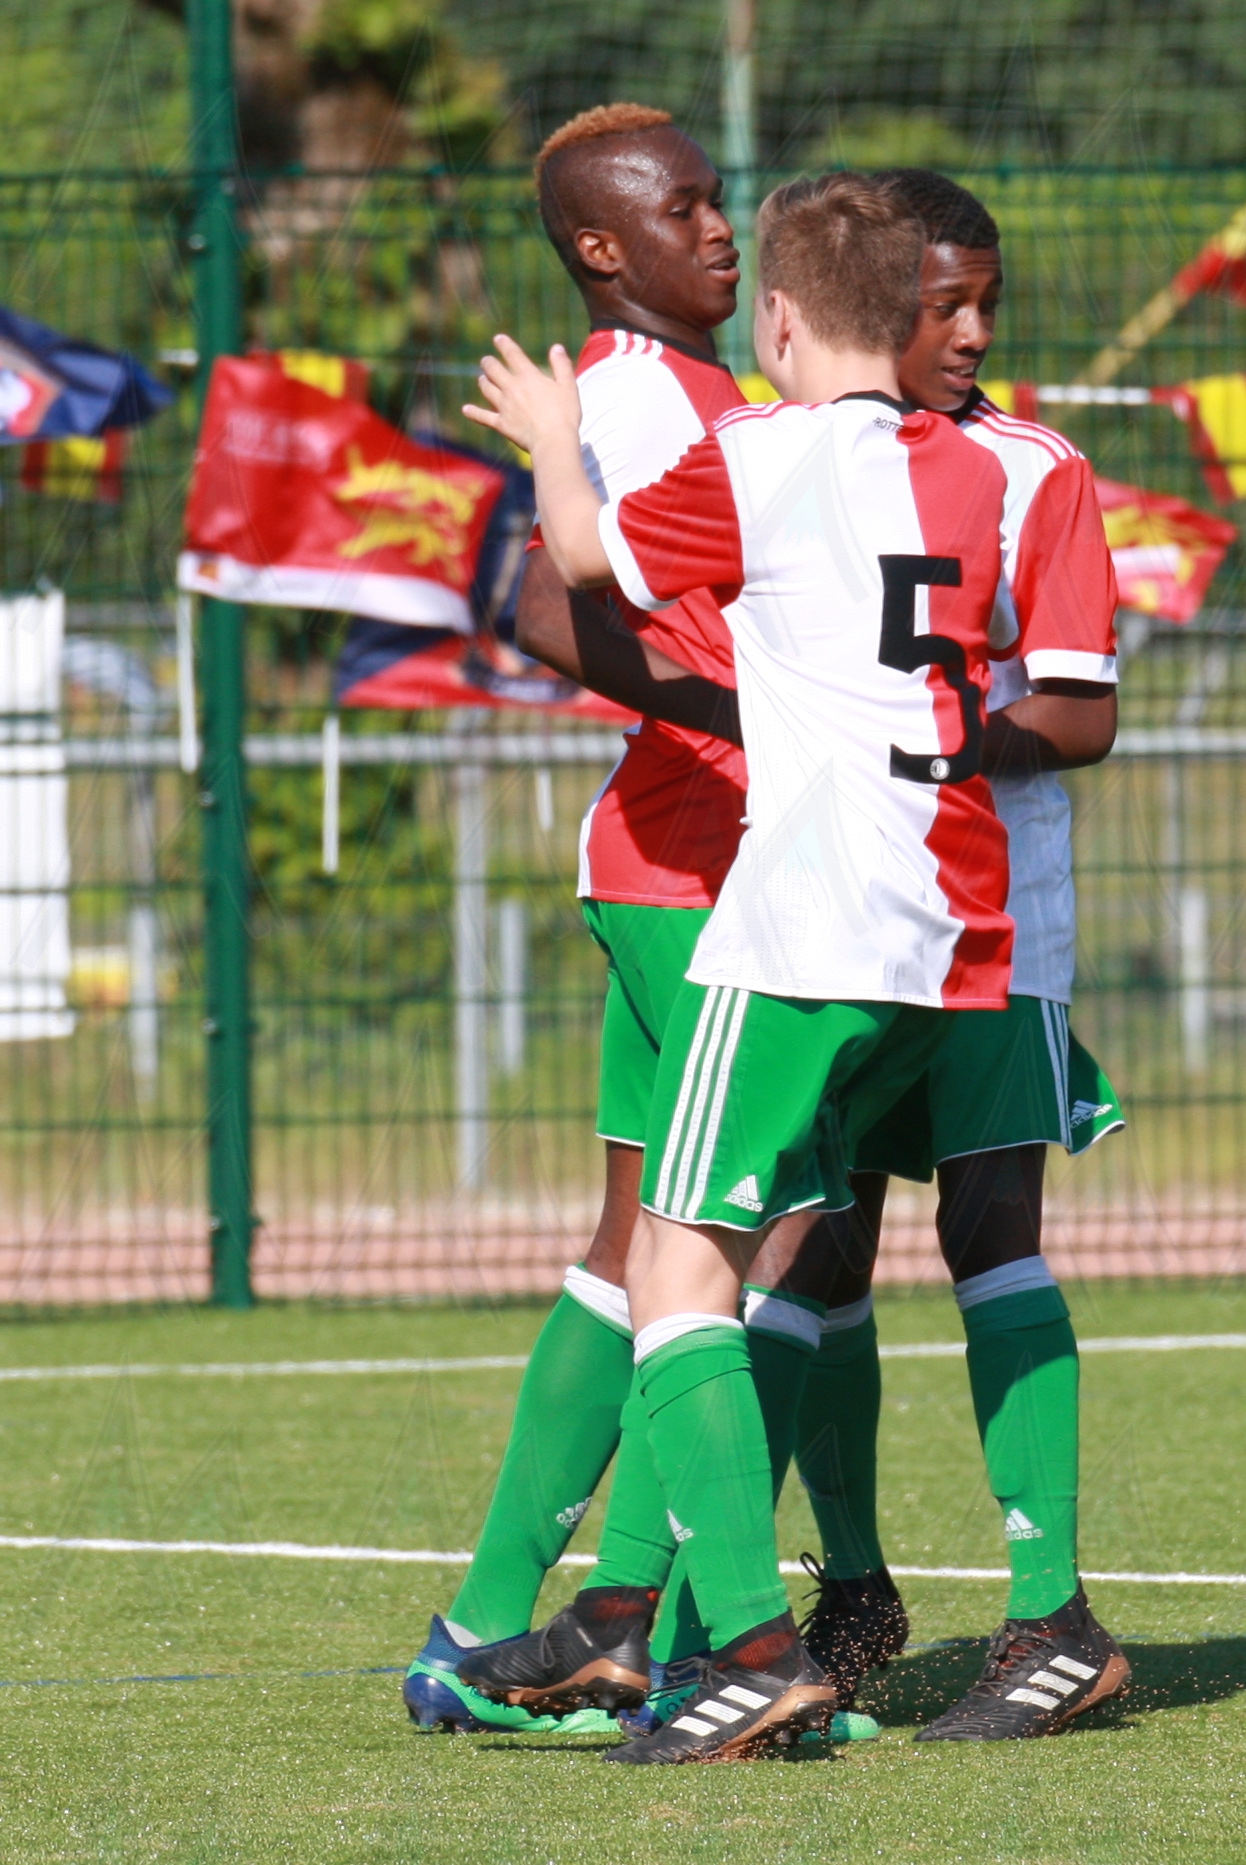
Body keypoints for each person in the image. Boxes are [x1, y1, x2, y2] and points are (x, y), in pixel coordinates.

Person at [469, 168, 1048, 1762]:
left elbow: (579, 558)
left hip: (803, 915)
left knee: (677, 1266)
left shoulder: (756, 454)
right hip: (952, 925)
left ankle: (741, 1644)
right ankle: (718, 1603)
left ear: (782, 321)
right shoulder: (973, 469)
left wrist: (550, 434)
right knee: (810, 1247)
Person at [401, 100, 771, 1737]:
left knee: (641, 1242)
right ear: (602, 248)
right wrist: (751, 718)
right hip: (702, 863)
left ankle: (490, 1626)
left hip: (675, 859)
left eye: (720, 198)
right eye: (682, 208)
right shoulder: (630, 390)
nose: (720, 226)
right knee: (751, 1239)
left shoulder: (702, 389)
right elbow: (547, 601)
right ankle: (664, 1630)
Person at [821, 167, 1130, 1742]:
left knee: (990, 1224)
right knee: (815, 1241)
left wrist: (962, 738)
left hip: (1000, 915)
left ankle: (1051, 1616)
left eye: (986, 302)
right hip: (835, 911)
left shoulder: (1034, 469)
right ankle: (850, 1592)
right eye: (942, 302)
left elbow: (1082, 706)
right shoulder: (799, 455)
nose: (971, 331)